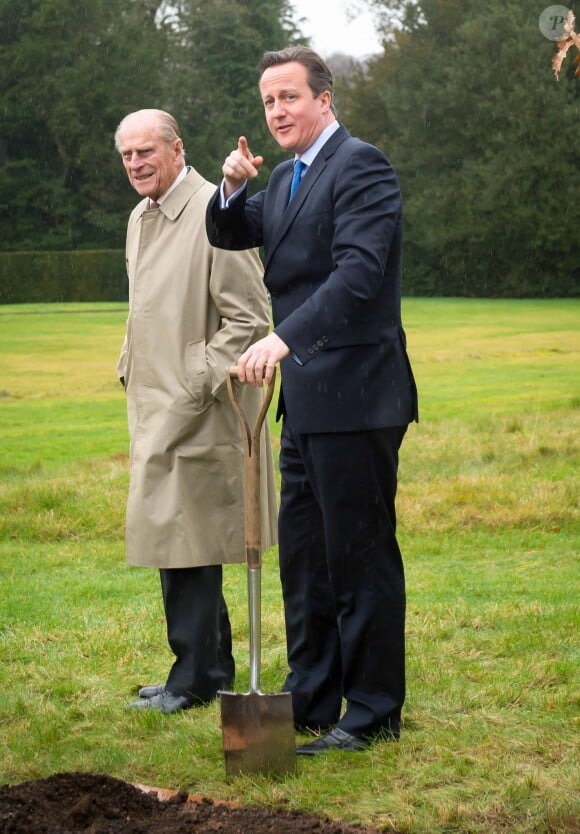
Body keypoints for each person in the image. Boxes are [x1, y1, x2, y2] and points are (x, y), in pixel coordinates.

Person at [206, 47, 418, 754]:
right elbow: (232, 231)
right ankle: (316, 700)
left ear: (324, 98)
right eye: (268, 102)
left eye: (289, 97)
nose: (276, 112)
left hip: (358, 397)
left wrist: (284, 339)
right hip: (306, 405)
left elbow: (361, 273)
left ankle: (372, 713)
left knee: (358, 561)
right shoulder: (293, 178)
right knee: (304, 559)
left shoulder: (360, 165)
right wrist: (232, 188)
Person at [115, 108, 277, 714]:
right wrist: (129, 361)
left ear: (176, 149)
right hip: (154, 402)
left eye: (146, 152)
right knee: (176, 537)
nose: (136, 164)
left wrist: (193, 381)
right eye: (127, 155)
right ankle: (204, 666)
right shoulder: (139, 216)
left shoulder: (215, 213)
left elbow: (249, 321)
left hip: (202, 409)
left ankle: (195, 677)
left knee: (189, 539)